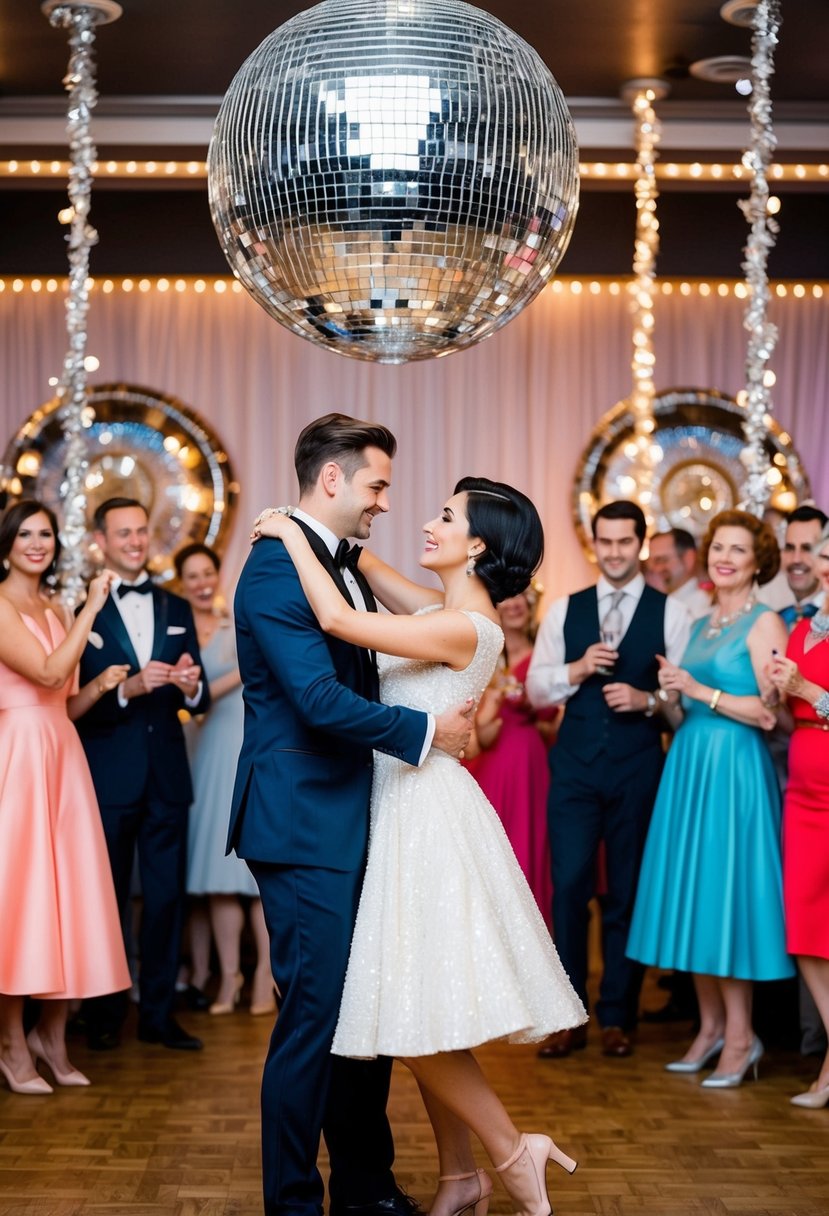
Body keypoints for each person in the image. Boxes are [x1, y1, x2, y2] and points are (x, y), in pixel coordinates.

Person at [254, 474, 586, 1216]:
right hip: (400, 802)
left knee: (411, 1004)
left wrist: (284, 531)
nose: (423, 522)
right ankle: (459, 1177)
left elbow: (339, 620)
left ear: (476, 545)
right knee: (420, 1004)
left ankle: (509, 1148)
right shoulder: (444, 611)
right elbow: (368, 570)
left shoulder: (464, 628)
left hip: (420, 816)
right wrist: (326, 526)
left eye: (445, 516)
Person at [231, 414, 475, 1216]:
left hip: (355, 812)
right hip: (302, 821)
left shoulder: (333, 566)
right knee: (312, 1019)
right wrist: (430, 732)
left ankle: (365, 1186)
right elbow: (316, 699)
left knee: (357, 1007)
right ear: (330, 479)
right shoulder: (274, 570)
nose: (383, 502)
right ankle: (293, 1203)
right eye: (375, 485)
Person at [627, 508, 793, 1087]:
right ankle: (711, 1027)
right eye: (719, 546)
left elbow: (771, 714)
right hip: (691, 764)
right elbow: (689, 704)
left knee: (726, 896)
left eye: (737, 550)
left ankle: (743, 1037)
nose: (724, 557)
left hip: (734, 771)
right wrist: (669, 696)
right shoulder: (702, 622)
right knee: (696, 895)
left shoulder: (765, 622)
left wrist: (699, 689)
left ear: (756, 562)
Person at [526, 500, 691, 1059]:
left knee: (626, 890)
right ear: (593, 543)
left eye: (625, 542)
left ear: (639, 545)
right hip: (573, 767)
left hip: (638, 766)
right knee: (569, 886)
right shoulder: (564, 610)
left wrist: (648, 700)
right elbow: (535, 691)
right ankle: (571, 1015)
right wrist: (575, 670)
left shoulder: (671, 614)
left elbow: (682, 699)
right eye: (606, 541)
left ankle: (619, 1016)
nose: (615, 552)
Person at [0, 500, 131, 1094]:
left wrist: (101, 684)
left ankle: (50, 1038)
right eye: (25, 533)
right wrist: (94, 606)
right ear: (6, 543)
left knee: (68, 896)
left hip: (61, 748)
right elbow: (49, 674)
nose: (36, 543)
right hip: (20, 755)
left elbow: (66, 699)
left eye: (45, 533)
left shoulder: (53, 606)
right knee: (23, 896)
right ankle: (10, 1044)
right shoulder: (0, 604)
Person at [76, 497, 210, 1052]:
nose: (135, 540)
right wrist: (126, 690)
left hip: (166, 777)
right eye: (123, 532)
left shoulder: (176, 606)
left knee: (164, 900)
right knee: (104, 898)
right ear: (101, 542)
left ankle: (157, 1014)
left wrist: (190, 686)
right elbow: (68, 697)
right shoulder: (81, 610)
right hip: (107, 776)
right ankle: (104, 1014)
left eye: (141, 531)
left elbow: (200, 698)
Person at [174, 543, 274, 1017]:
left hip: (243, 741)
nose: (201, 582)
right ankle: (229, 976)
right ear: (182, 583)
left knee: (255, 875)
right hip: (203, 751)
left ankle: (264, 978)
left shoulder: (238, 622)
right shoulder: (175, 633)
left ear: (218, 574)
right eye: (191, 576)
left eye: (207, 572)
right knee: (216, 875)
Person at [769, 523, 829, 1107]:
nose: (821, 562)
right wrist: (776, 695)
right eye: (820, 552)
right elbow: (790, 718)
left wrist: (808, 690)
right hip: (804, 788)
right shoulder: (803, 627)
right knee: (804, 926)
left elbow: (813, 697)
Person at [464, 583, 556, 925]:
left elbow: (552, 720)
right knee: (490, 855)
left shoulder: (545, 655)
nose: (516, 603)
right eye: (508, 595)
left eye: (522, 595)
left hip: (530, 765)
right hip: (488, 762)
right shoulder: (483, 650)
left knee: (527, 848)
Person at [646, 528, 711, 619]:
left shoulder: (701, 605)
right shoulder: (660, 601)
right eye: (650, 562)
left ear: (688, 559)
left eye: (661, 560)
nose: (653, 569)